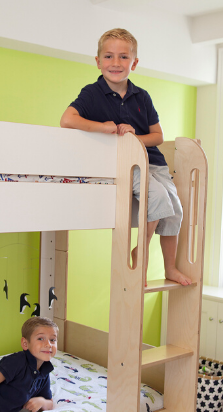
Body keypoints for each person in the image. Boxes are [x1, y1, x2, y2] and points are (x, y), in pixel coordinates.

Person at [60, 28, 191, 286]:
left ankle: (170, 267)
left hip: (155, 162)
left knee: (176, 210)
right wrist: (105, 127)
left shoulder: (142, 96)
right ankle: (139, 253)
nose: (115, 63)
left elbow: (157, 136)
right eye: (108, 57)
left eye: (123, 57)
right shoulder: (91, 93)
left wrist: (134, 138)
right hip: (128, 164)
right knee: (159, 198)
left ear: (134, 62)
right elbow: (67, 120)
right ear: (98, 62)